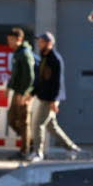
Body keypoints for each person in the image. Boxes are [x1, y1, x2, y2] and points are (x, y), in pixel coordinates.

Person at [29, 32, 81, 161]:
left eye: (41, 42)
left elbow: (57, 82)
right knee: (51, 126)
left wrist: (53, 100)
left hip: (50, 98)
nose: (39, 44)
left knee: (38, 124)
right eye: (39, 41)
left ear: (49, 43)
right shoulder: (44, 57)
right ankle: (72, 148)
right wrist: (32, 93)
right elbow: (40, 79)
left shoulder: (54, 59)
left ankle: (38, 153)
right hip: (44, 96)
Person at [5, 27, 35, 158]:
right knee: (12, 119)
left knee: (23, 122)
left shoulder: (25, 54)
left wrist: (23, 94)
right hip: (17, 91)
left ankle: (25, 151)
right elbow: (15, 75)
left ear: (19, 39)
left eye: (11, 40)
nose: (9, 42)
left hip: (24, 93)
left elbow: (30, 77)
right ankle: (30, 142)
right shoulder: (17, 53)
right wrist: (9, 87)